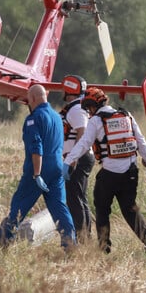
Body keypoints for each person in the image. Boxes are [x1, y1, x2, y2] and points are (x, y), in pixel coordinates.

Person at [64, 87, 146, 253]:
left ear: (92, 107)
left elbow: (84, 143)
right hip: (131, 172)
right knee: (130, 210)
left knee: (101, 209)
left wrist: (69, 161)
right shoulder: (126, 115)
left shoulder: (96, 120)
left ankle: (104, 248)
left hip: (109, 175)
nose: (89, 113)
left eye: (89, 109)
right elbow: (141, 142)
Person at [0, 84, 76, 249]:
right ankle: (70, 245)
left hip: (39, 168)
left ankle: (3, 241)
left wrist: (36, 173)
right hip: (57, 167)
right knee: (59, 208)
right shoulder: (57, 117)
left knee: (19, 204)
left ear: (32, 98)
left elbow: (36, 147)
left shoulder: (34, 118)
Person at [59, 74, 94, 241]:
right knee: (78, 198)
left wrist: (73, 160)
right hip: (78, 157)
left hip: (78, 159)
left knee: (75, 200)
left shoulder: (76, 109)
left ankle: (82, 238)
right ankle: (84, 236)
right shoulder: (76, 108)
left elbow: (82, 132)